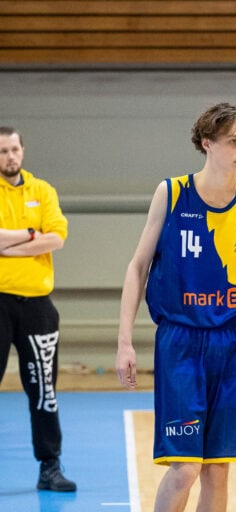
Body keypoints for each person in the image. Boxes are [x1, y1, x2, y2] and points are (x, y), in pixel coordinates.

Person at [115, 103, 236, 512]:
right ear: (207, 143)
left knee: (218, 470)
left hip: (233, 342)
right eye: (232, 142)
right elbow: (137, 268)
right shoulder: (171, 192)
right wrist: (124, 343)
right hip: (181, 342)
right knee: (185, 467)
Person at [0, 127, 77, 492]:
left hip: (37, 306)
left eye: (14, 149)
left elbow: (57, 237)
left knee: (43, 389)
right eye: (3, 151)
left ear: (23, 151)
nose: (10, 156)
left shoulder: (42, 190)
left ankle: (50, 466)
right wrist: (34, 234)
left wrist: (14, 241)